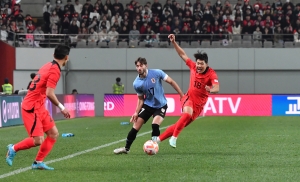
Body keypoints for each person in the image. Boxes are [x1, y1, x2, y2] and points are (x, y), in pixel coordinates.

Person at [5, 45, 71, 170]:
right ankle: (12, 148)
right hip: (32, 107)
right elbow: (49, 93)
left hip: (39, 106)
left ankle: (38, 162)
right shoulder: (55, 71)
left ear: (53, 55)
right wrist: (62, 107)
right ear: (66, 57)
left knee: (53, 134)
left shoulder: (48, 65)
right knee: (37, 140)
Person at [157, 34, 220, 148]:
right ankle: (174, 138)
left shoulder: (211, 74)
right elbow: (182, 54)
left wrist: (210, 89)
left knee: (179, 124)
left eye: (202, 64)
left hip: (199, 105)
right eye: (198, 63)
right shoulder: (193, 66)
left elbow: (217, 88)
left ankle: (157, 140)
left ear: (206, 64)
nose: (199, 66)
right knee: (187, 114)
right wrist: (174, 42)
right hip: (188, 98)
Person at [113, 57, 184, 154]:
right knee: (135, 127)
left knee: (155, 124)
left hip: (161, 105)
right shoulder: (136, 83)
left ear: (146, 65)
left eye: (141, 65)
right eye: (137, 66)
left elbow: (171, 82)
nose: (139, 68)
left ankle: (154, 146)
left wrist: (181, 95)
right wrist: (136, 112)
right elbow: (141, 99)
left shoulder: (157, 73)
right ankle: (126, 149)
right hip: (148, 105)